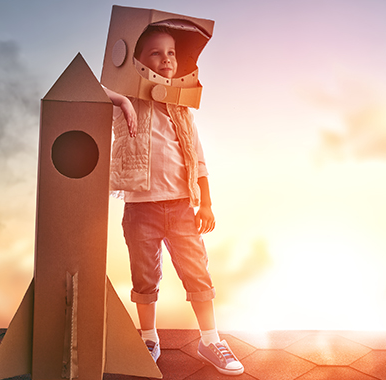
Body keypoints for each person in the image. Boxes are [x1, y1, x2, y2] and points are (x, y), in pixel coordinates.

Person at [103, 26, 244, 376]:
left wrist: (206, 203)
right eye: (155, 53)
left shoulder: (182, 109)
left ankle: (210, 340)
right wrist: (119, 98)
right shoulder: (127, 100)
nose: (166, 59)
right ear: (137, 62)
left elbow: (197, 159)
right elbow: (87, 90)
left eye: (171, 53)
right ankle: (149, 338)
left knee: (197, 273)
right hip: (141, 208)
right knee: (145, 276)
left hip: (181, 206)